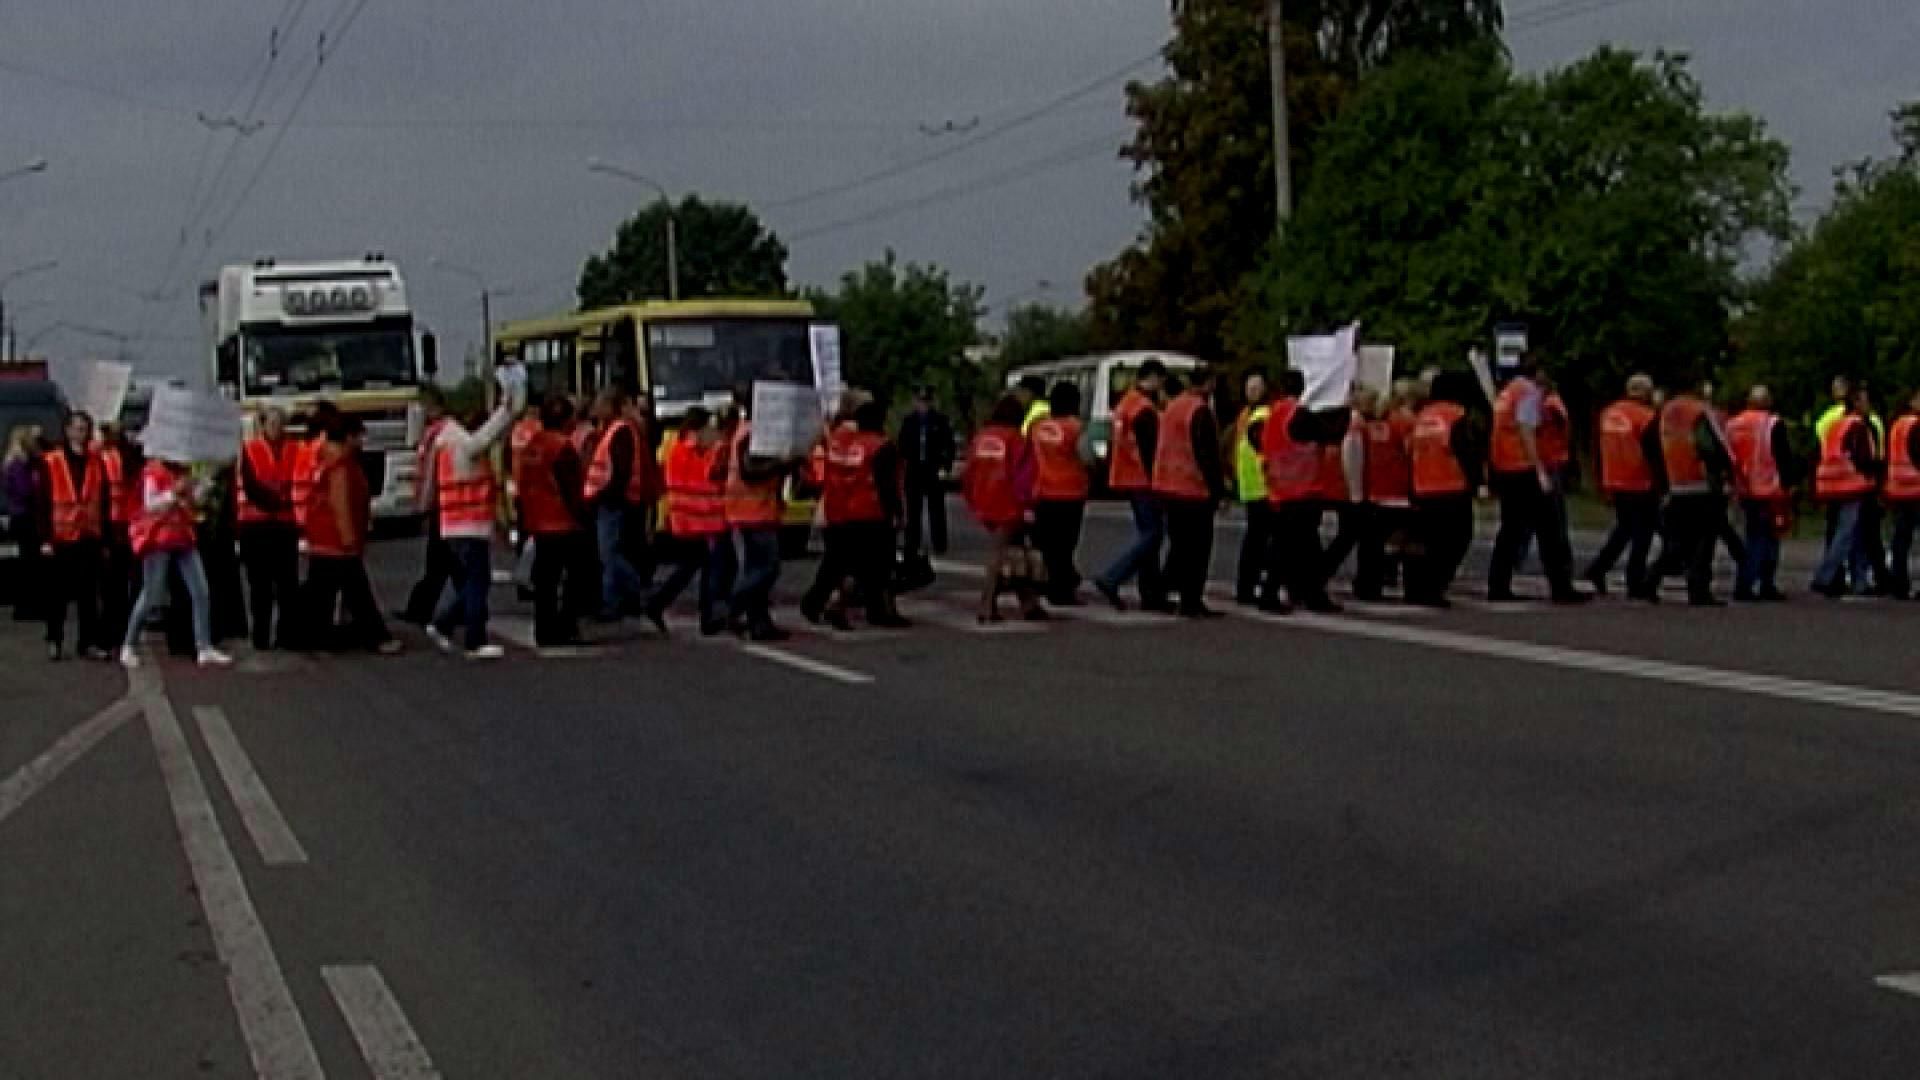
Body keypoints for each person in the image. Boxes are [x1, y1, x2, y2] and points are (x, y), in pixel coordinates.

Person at [427, 381, 522, 660]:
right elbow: (483, 440)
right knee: (476, 582)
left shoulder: (446, 441)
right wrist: (506, 412)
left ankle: (445, 623)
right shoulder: (458, 443)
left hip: (455, 524)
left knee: (471, 582)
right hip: (468, 524)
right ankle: (474, 639)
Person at [1486, 354, 1587, 604]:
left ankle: (1498, 585)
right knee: (1550, 528)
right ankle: (1561, 587)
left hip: (1505, 467)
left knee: (1511, 530)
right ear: (1538, 372)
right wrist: (1539, 469)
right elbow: (1526, 428)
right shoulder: (1529, 392)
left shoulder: (1506, 393)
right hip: (1525, 468)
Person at [802, 400, 908, 631]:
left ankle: (815, 601)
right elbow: (886, 485)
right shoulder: (881, 446)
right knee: (877, 566)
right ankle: (876, 609)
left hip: (838, 510)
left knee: (835, 564)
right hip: (869, 512)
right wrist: (897, 514)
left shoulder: (841, 444)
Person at [120, 454, 231, 669]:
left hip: (182, 537)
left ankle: (204, 646)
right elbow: (150, 504)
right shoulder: (153, 470)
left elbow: (194, 501)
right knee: (151, 595)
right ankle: (128, 645)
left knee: (200, 590)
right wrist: (173, 493)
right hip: (158, 538)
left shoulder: (184, 472)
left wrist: (206, 485)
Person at [301, 417, 398, 653]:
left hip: (321, 538)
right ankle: (375, 637)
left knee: (320, 593)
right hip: (337, 541)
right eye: (359, 436)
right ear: (348, 437)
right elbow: (340, 502)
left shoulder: (324, 460)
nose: (362, 441)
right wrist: (349, 538)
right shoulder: (341, 466)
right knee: (357, 592)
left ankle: (315, 636)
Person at [1261, 368, 1351, 614]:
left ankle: (1303, 592)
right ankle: (1296, 594)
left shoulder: (1274, 412)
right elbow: (1328, 434)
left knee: (1297, 546)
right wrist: (1345, 409)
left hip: (1280, 485)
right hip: (1302, 489)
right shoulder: (1298, 413)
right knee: (1298, 547)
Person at [644, 409, 738, 636]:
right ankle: (705, 615)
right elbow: (714, 475)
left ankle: (663, 604)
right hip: (703, 518)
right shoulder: (704, 450)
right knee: (712, 567)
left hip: (683, 517)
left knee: (695, 565)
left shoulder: (676, 448)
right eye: (709, 427)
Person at [1650, 377, 1736, 606]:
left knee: (1678, 542)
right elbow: (1713, 445)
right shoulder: (1700, 412)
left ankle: (1650, 580)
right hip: (1702, 484)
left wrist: (1663, 480)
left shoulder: (1666, 412)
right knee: (1703, 541)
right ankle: (1699, 589)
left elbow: (1650, 443)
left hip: (1677, 484)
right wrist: (1726, 472)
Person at [513, 395, 590, 649]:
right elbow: (570, 487)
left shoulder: (533, 445)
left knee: (545, 581)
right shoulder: (561, 447)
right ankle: (566, 626)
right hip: (562, 520)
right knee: (575, 577)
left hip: (538, 519)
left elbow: (524, 483)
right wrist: (582, 516)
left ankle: (544, 629)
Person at [1093, 361, 1169, 611]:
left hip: (1127, 476)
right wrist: (1158, 481)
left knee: (1149, 535)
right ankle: (1113, 576)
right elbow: (1150, 451)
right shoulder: (1144, 409)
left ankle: (1151, 594)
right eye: (1161, 380)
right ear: (1153, 378)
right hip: (1143, 479)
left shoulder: (1126, 403)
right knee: (1152, 535)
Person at [1151, 367, 1227, 618]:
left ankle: (1162, 591)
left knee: (1179, 545)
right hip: (1192, 489)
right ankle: (1191, 599)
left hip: (1167, 486)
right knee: (1197, 549)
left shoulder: (1172, 407)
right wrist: (1218, 490)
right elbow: (1206, 454)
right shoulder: (1199, 411)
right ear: (1208, 384)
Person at [965, 395, 1045, 622]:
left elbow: (969, 472)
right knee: (1000, 555)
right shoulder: (1016, 440)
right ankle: (987, 604)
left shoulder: (981, 438)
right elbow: (1024, 477)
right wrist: (1028, 505)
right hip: (1008, 502)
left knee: (1015, 550)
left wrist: (971, 500)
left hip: (984, 499)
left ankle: (1029, 602)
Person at [1406, 372, 1483, 608]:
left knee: (1426, 541)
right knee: (1456, 539)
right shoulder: (1456, 415)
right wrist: (1477, 481)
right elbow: (1465, 451)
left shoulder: (1422, 416)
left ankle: (1416, 587)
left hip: (1422, 484)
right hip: (1450, 485)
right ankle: (1434, 586)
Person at [1584, 374, 1663, 601]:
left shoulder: (1609, 413)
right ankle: (1635, 580)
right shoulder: (1647, 417)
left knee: (1625, 529)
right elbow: (1654, 452)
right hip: (1640, 480)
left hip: (1615, 478)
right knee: (1643, 533)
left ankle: (1599, 568)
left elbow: (1598, 447)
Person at [38, 411, 110, 660]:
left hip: (89, 534)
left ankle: (88, 642)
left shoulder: (95, 461)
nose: (80, 434)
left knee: (89, 593)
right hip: (61, 535)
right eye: (76, 429)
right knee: (57, 593)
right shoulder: (52, 460)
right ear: (67, 431)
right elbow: (42, 502)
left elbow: (104, 500)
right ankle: (54, 639)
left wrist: (105, 539)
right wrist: (45, 538)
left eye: (84, 429)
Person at [723, 389, 792, 641]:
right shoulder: (752, 433)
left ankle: (759, 622)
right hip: (752, 511)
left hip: (755, 509)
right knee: (766, 568)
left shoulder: (748, 430)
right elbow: (750, 471)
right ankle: (733, 607)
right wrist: (781, 464)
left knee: (756, 567)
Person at [583, 389, 657, 622]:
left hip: (612, 502)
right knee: (611, 554)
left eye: (600, 403)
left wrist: (603, 496)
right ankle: (619, 600)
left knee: (610, 555)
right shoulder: (614, 430)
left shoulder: (620, 431)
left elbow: (620, 471)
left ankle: (633, 596)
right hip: (612, 500)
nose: (595, 407)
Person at [236, 408, 301, 650]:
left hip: (284, 525)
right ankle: (261, 636)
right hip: (256, 525)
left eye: (281, 424)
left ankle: (288, 634)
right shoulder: (250, 449)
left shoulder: (295, 448)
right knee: (260, 585)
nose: (278, 428)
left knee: (288, 583)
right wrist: (277, 502)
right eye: (273, 424)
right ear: (263, 426)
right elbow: (251, 485)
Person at [1812, 384, 1882, 599]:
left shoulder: (1836, 425)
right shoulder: (1857, 426)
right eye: (1865, 401)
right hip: (1851, 484)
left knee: (1852, 534)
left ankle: (1859, 580)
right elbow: (1862, 457)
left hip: (1833, 483)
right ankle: (1824, 577)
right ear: (1857, 404)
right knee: (1846, 533)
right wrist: (1873, 474)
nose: (1868, 405)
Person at [1726, 385, 1795, 602]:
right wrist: (1790, 484)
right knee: (1767, 538)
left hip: (1743, 487)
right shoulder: (1772, 423)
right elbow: (1783, 456)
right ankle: (1757, 583)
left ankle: (1749, 582)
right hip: (1768, 488)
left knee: (1752, 535)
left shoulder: (1733, 425)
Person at [1354, 381, 1418, 602]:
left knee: (1372, 543)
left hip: (1374, 490)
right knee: (1406, 540)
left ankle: (1369, 585)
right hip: (1398, 490)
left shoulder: (1370, 426)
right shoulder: (1404, 422)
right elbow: (1412, 453)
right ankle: (1411, 585)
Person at [1029, 382, 1090, 607]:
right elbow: (1087, 457)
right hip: (1070, 492)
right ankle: (1062, 589)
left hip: (1043, 490)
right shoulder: (1075, 428)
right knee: (1066, 544)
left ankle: (1047, 582)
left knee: (1047, 543)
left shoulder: (1038, 427)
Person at [398, 387, 454, 625]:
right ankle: (460, 609)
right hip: (444, 506)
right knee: (448, 565)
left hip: (444, 506)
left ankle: (420, 610)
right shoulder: (434, 432)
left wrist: (423, 504)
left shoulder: (440, 434)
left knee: (439, 565)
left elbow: (431, 474)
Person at [1319, 386, 1374, 588]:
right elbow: (1352, 456)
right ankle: (1322, 569)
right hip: (1345, 487)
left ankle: (1320, 569)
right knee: (1350, 534)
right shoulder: (1355, 422)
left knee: (1347, 534)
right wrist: (1357, 493)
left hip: (1331, 483)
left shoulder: (1335, 419)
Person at [897, 385, 954, 569]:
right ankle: (912, 543)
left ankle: (939, 542)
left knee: (936, 508)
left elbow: (948, 444)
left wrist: (946, 465)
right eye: (920, 401)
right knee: (913, 509)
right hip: (914, 469)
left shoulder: (940, 420)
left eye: (926, 401)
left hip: (932, 468)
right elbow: (902, 445)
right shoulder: (909, 422)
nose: (923, 405)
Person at [1231, 372, 1272, 605]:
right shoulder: (1259, 416)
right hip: (1260, 485)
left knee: (1257, 540)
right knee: (1259, 541)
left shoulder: (1248, 415)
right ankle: (1251, 586)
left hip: (1252, 485)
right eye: (1249, 388)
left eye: (1256, 388)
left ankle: (1249, 585)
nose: (1252, 392)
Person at [95, 424, 138, 644]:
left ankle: (115, 631)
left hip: (118, 524)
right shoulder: (117, 456)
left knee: (114, 583)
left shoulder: (107, 456)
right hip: (118, 524)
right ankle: (117, 630)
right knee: (117, 583)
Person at [4, 423, 45, 622]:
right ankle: (25, 607)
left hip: (20, 516)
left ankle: (27, 605)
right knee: (28, 563)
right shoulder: (18, 466)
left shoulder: (16, 464)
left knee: (28, 562)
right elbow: (25, 491)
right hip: (24, 517)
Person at [1886, 389, 1920, 599]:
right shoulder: (1916, 425)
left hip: (1898, 487)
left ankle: (1898, 582)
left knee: (1901, 538)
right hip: (1916, 487)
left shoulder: (1897, 425)